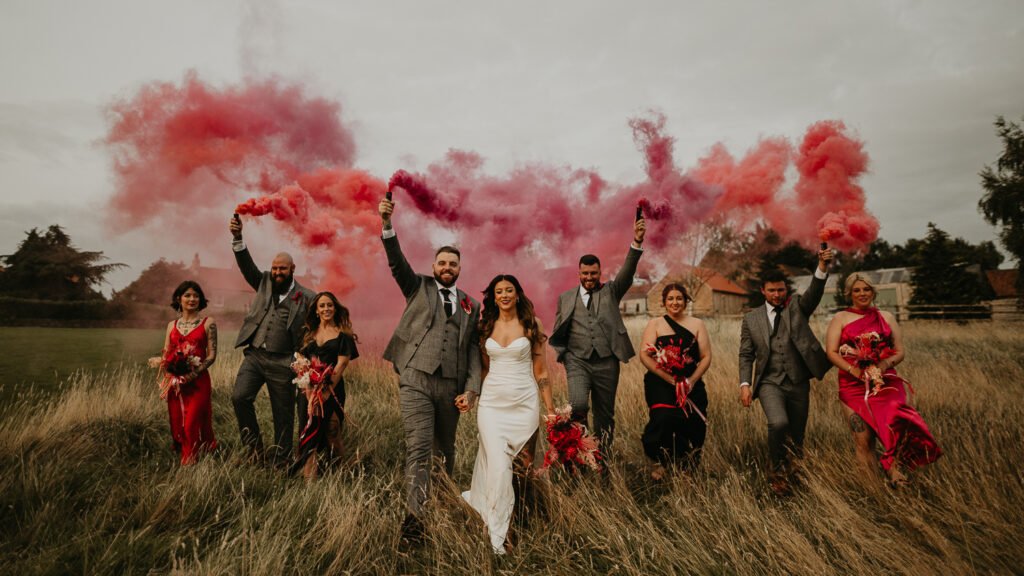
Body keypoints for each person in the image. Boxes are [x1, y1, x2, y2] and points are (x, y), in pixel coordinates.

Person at [378, 196, 482, 546]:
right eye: (442, 262)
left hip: (451, 388)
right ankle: (415, 521)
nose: (447, 267)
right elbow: (396, 263)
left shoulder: (471, 304)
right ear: (434, 265)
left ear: (459, 269)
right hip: (416, 381)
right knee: (420, 448)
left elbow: (471, 349)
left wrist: (472, 390)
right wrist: (388, 225)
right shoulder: (417, 286)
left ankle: (439, 508)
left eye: (453, 263)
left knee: (446, 453)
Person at [462, 275, 555, 555]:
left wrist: (550, 410)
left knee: (523, 471)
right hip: (492, 406)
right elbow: (484, 370)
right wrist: (471, 396)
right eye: (498, 291)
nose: (504, 295)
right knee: (500, 469)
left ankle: (525, 516)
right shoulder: (486, 326)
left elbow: (541, 371)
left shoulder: (531, 324)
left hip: (524, 402)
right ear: (493, 296)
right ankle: (502, 534)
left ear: (517, 294)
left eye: (509, 290)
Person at [825, 273, 942, 485]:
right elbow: (832, 352)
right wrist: (856, 371)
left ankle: (894, 471)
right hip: (853, 385)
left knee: (895, 424)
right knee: (862, 440)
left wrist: (883, 364)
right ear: (849, 294)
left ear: (873, 291)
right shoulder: (840, 318)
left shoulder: (886, 317)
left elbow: (899, 351)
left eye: (866, 289)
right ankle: (872, 490)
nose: (862, 294)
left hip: (885, 381)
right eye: (857, 290)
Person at [549, 215, 646, 459]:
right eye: (585, 274)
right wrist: (565, 355)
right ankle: (578, 453)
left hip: (606, 362)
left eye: (593, 273)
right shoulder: (566, 297)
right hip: (577, 361)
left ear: (600, 272)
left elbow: (628, 270)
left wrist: (636, 241)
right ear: (578, 273)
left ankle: (603, 458)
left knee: (605, 415)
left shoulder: (612, 291)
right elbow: (559, 328)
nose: (589, 278)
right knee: (578, 407)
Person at [738, 248, 833, 495]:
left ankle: (795, 471)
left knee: (797, 434)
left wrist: (822, 266)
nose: (778, 294)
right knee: (778, 423)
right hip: (769, 382)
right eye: (772, 290)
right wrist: (745, 384)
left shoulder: (798, 307)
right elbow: (746, 354)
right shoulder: (751, 319)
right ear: (763, 291)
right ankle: (777, 472)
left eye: (781, 290)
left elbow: (815, 292)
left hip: (799, 381)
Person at [229, 215, 314, 468]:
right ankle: (254, 451)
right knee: (239, 398)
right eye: (275, 268)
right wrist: (237, 238)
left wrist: (303, 360)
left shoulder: (307, 296)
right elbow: (246, 265)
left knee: (283, 414)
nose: (277, 272)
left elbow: (313, 330)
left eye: (282, 269)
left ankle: (282, 461)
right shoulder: (263, 281)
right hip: (254, 356)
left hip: (284, 360)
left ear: (292, 269)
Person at [638, 283, 711, 480]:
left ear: (686, 301)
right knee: (663, 417)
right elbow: (644, 354)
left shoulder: (697, 324)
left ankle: (688, 466)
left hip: (690, 383)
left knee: (693, 422)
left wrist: (692, 381)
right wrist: (669, 379)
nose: (675, 302)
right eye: (670, 299)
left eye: (679, 298)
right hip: (660, 382)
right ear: (664, 302)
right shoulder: (655, 324)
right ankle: (660, 462)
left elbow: (705, 356)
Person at [291, 292, 359, 479]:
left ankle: (339, 472)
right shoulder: (307, 332)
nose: (326, 309)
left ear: (335, 308)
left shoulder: (342, 334)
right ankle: (309, 484)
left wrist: (326, 389)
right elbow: (300, 359)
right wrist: (307, 383)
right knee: (309, 434)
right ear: (316, 310)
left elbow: (342, 363)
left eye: (329, 305)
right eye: (322, 306)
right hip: (308, 391)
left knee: (332, 433)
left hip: (333, 389)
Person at [153, 281, 218, 465]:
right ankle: (195, 450)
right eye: (188, 295)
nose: (192, 299)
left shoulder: (208, 323)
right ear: (178, 299)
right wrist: (166, 369)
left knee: (191, 423)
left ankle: (189, 464)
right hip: (176, 383)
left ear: (201, 299)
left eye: (196, 295)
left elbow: (212, 355)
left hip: (198, 382)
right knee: (177, 423)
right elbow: (166, 352)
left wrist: (192, 374)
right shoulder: (171, 325)